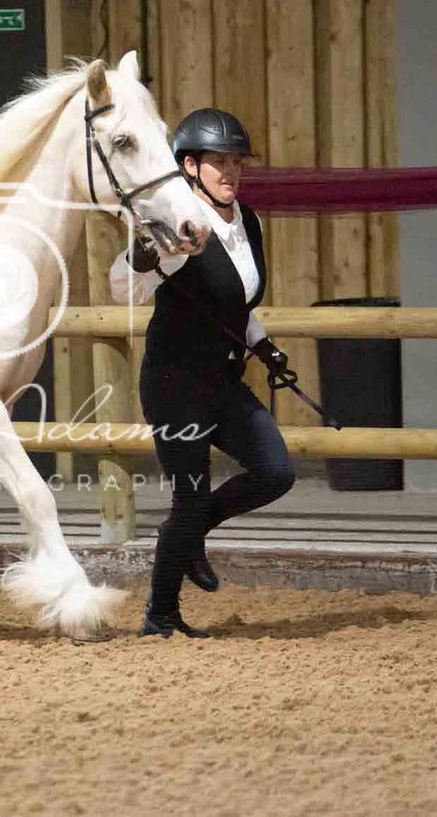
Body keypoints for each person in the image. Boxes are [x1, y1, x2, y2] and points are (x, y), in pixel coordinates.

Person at [109, 108, 296, 638]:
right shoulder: (180, 224)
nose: (231, 172)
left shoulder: (249, 222)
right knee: (190, 497)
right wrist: (141, 256)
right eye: (219, 162)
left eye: (237, 163)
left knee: (275, 472)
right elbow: (123, 290)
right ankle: (161, 613)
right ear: (189, 166)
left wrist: (263, 344)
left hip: (223, 382)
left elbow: (234, 301)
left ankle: (186, 534)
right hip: (174, 385)